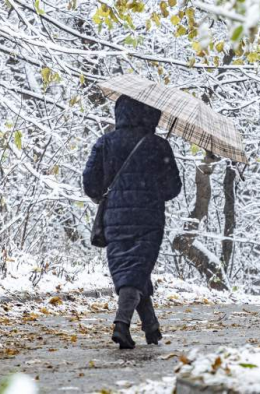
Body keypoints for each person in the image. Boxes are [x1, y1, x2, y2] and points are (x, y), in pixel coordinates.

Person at [82, 95, 182, 349]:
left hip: (115, 217)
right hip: (149, 219)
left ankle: (151, 328)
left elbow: (90, 184)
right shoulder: (158, 146)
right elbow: (172, 188)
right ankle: (121, 324)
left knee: (132, 270)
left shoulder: (105, 143)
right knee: (136, 269)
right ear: (151, 115)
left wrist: (107, 191)